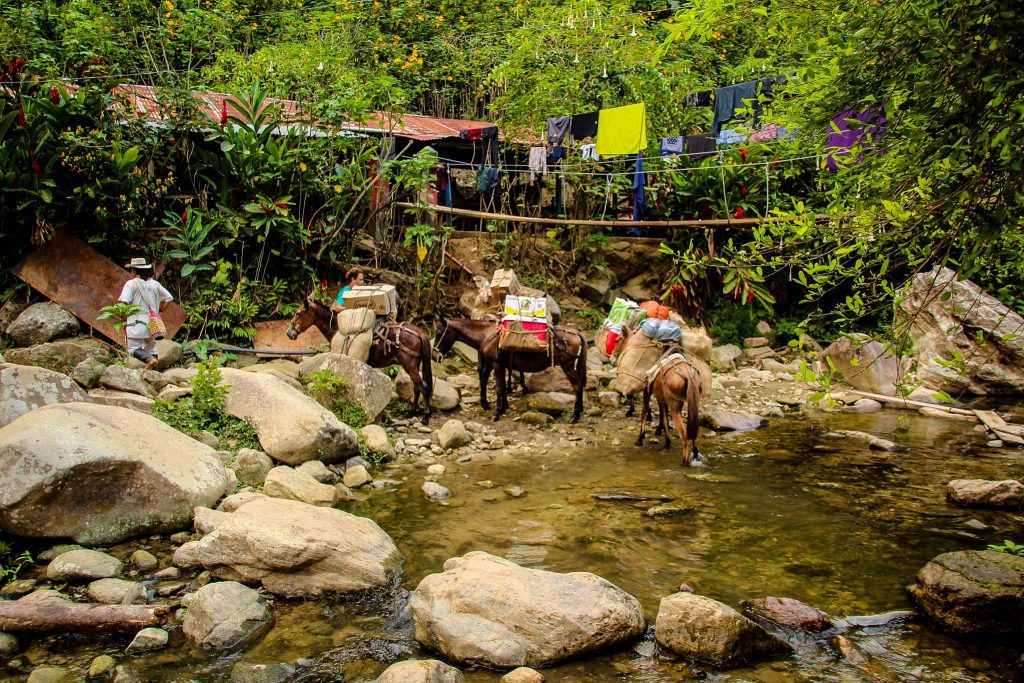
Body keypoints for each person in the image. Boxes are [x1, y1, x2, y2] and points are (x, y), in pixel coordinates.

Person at [119, 257, 173, 370]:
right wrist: (160, 311)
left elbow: (123, 303)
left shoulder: (131, 284)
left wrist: (123, 317)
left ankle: (149, 360)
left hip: (136, 324)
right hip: (153, 324)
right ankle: (156, 376)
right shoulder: (155, 284)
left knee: (133, 349)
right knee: (151, 350)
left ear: (134, 271)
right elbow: (169, 298)